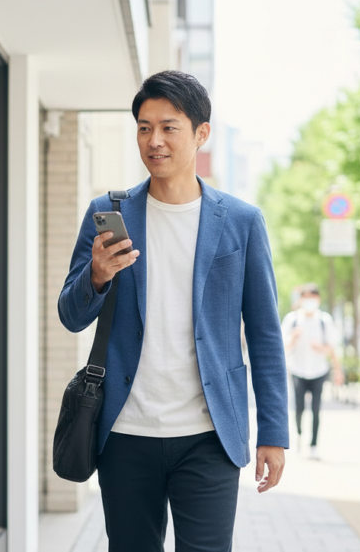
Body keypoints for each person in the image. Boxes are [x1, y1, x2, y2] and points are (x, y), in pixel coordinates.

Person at [58, 70, 288, 551]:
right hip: (124, 432)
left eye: (168, 127)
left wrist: (274, 432)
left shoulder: (241, 222)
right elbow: (70, 315)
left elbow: (265, 333)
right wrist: (97, 276)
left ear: (201, 133)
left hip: (209, 434)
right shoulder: (109, 212)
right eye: (144, 127)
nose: (154, 140)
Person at [281, 284, 342, 460]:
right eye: (305, 298)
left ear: (318, 300)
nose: (309, 302)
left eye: (312, 298)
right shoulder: (292, 320)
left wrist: (337, 370)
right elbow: (283, 348)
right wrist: (293, 338)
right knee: (298, 407)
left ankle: (314, 445)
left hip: (319, 371)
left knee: (316, 409)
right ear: (300, 300)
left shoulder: (325, 320)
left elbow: (332, 347)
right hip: (297, 370)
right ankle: (299, 437)